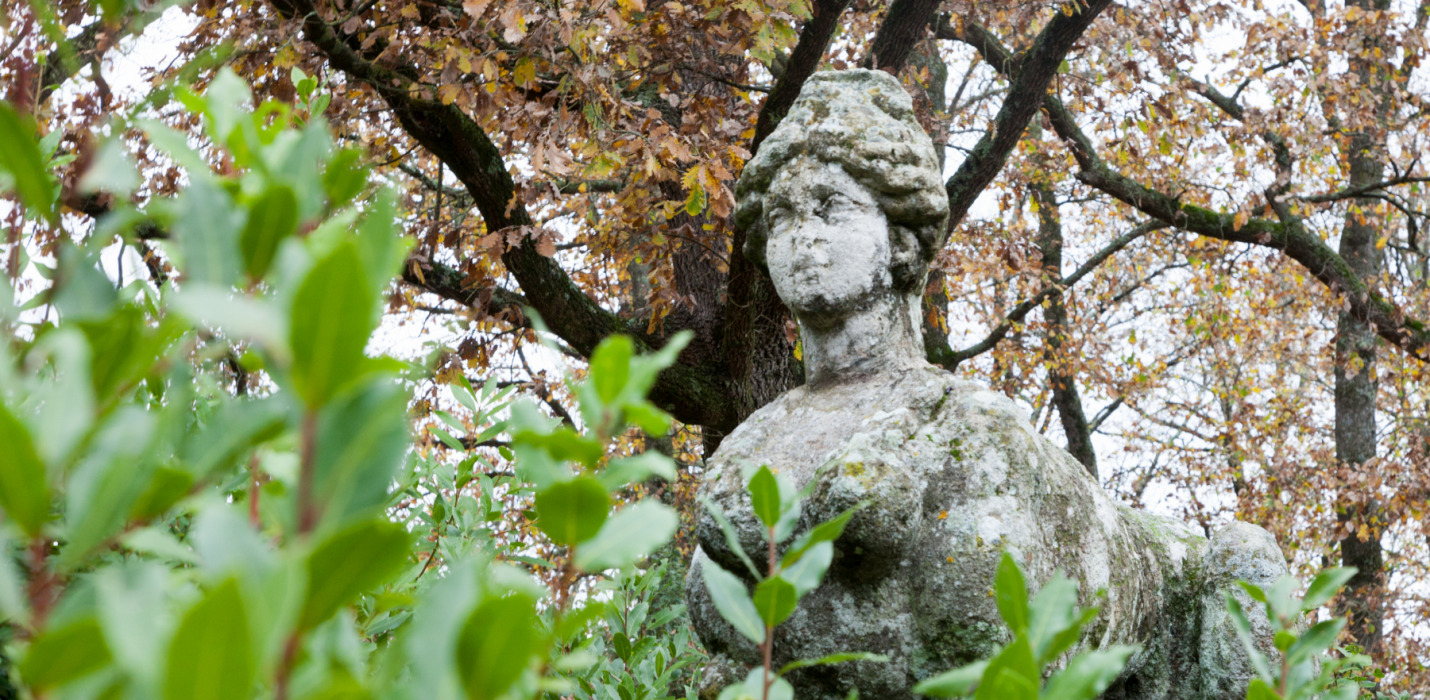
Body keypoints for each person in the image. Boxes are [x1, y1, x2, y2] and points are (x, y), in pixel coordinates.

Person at [685, 69, 1285, 700]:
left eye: (832, 207)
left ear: (899, 240)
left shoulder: (969, 433)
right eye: (781, 216)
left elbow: (1006, 657)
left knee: (1245, 559)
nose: (803, 236)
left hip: (1185, 616)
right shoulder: (753, 444)